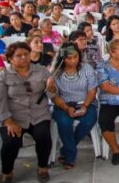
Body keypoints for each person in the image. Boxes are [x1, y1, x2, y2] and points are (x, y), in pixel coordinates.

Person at [0, 42, 52, 182]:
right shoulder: (2, 77)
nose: (24, 58)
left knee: (43, 136)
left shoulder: (42, 70)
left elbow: (51, 94)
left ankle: (42, 167)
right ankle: (7, 171)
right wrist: (9, 122)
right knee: (11, 142)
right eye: (18, 56)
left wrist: (52, 88)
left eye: (26, 54)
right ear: (10, 59)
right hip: (12, 117)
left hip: (38, 114)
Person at [46, 42, 98, 170]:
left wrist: (85, 106)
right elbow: (54, 97)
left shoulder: (87, 68)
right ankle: (70, 156)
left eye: (76, 57)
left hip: (85, 102)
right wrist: (66, 107)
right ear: (62, 59)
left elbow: (92, 91)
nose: (73, 60)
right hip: (63, 105)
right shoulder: (55, 72)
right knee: (64, 122)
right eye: (69, 58)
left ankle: (66, 150)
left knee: (89, 119)